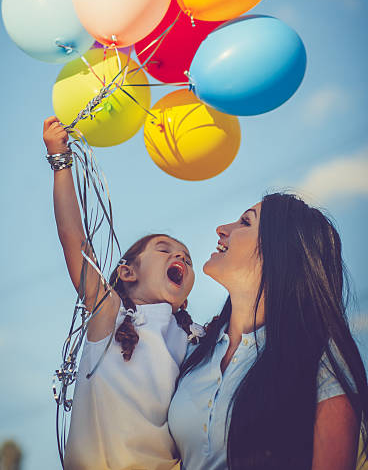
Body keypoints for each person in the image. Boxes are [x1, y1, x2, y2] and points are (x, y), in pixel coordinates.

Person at [43, 116, 200, 470]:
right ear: (126, 272)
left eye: (186, 258)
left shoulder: (194, 340)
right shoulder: (109, 314)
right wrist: (60, 162)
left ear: (185, 298)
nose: (180, 257)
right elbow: (74, 241)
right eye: (164, 249)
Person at [168, 193, 368, 470]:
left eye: (245, 223)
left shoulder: (320, 359)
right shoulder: (194, 349)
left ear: (279, 253)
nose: (222, 229)